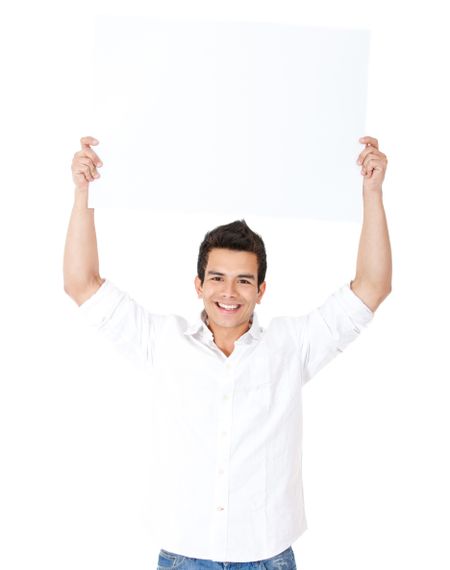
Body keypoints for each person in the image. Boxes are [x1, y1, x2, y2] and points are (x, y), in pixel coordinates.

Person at [63, 135, 392, 569]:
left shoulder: (291, 346)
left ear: (260, 290)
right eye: (217, 278)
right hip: (184, 556)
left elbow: (372, 287)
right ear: (198, 285)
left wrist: (372, 192)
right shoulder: (163, 342)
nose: (229, 293)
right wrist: (85, 192)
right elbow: (81, 283)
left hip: (267, 557)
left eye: (243, 280)